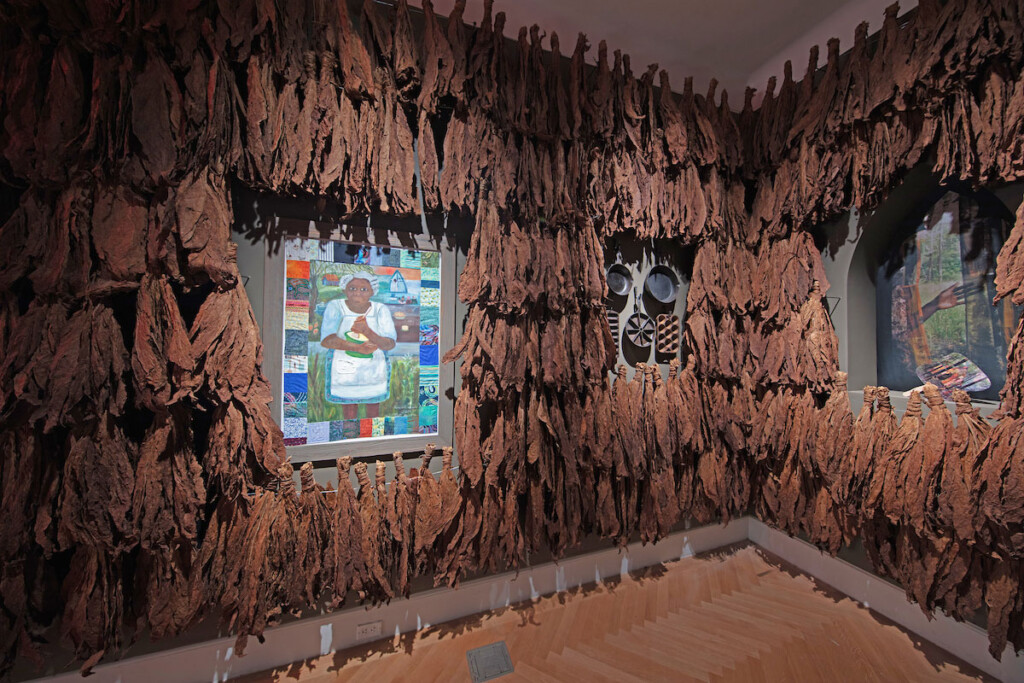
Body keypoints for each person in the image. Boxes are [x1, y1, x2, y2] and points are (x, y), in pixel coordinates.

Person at [320, 274, 397, 403]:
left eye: (364, 289)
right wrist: (358, 348)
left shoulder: (380, 310)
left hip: (374, 368)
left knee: (373, 404)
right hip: (343, 369)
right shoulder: (336, 306)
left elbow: (389, 344)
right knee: (346, 404)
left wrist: (366, 331)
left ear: (372, 292)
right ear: (344, 289)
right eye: (352, 288)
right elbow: (327, 339)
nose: (357, 293)